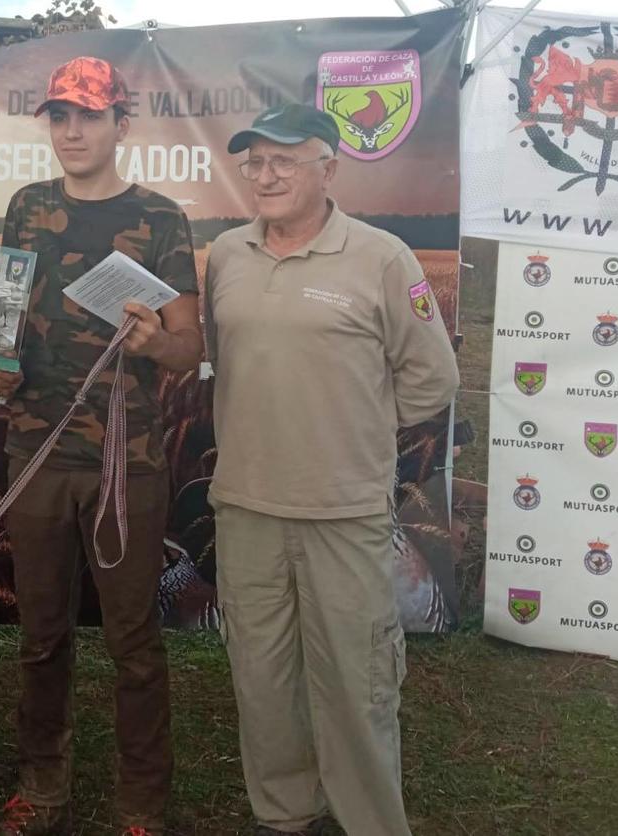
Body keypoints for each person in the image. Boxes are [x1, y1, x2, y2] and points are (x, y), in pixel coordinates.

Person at [204, 103, 459, 836]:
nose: (267, 174)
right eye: (255, 161)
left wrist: (356, 430)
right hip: (246, 507)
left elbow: (431, 380)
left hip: (342, 512)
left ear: (330, 169)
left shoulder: (382, 257)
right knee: (262, 677)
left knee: (357, 685)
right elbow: (227, 362)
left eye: (286, 159)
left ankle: (369, 823)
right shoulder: (227, 254)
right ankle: (285, 816)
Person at [0, 57, 202, 836]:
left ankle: (141, 802)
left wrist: (150, 341)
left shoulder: (163, 218)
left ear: (121, 125)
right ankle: (43, 788)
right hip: (36, 455)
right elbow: (0, 325)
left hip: (124, 461)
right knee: (40, 636)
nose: (72, 131)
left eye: (89, 116)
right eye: (60, 116)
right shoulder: (27, 205)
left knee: (133, 641)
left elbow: (188, 347)